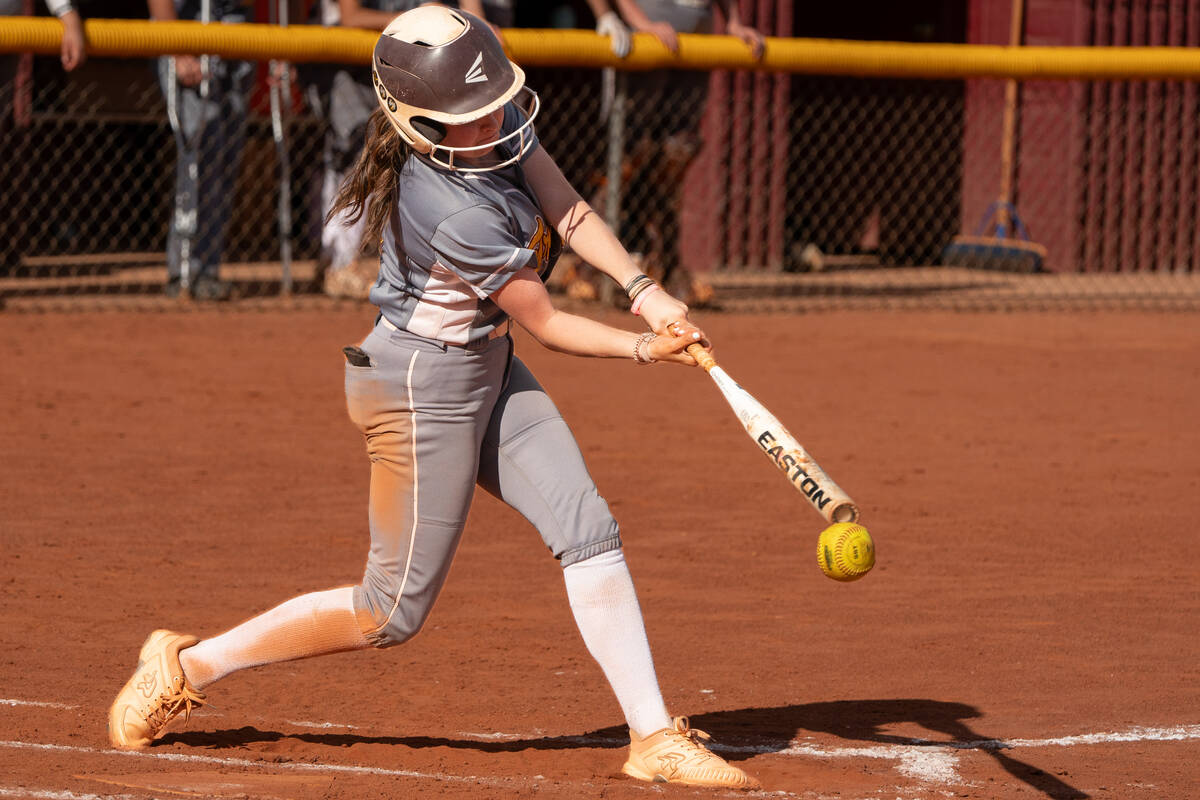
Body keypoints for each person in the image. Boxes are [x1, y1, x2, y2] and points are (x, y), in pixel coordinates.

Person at [108, 5, 758, 790]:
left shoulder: (497, 129)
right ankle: (186, 663)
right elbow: (547, 322)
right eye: (471, 117)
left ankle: (653, 735)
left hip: (488, 366)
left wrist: (644, 290)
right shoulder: (447, 206)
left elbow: (571, 210)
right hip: (420, 389)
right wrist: (644, 345)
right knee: (390, 613)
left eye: (496, 105)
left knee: (588, 527)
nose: (495, 124)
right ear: (419, 125)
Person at [313, 0, 493, 299]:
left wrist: (473, 27)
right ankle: (338, 263)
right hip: (352, 66)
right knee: (356, 153)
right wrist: (421, 20)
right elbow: (350, 17)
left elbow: (475, 15)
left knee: (418, 158)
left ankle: (426, 264)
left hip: (409, 68)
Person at [609, 0, 763, 303]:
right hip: (651, 23)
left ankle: (666, 265)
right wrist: (639, 21)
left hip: (698, 26)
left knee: (676, 151)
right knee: (633, 151)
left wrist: (732, 20)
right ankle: (603, 268)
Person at [148, 0, 255, 301]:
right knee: (201, 154)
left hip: (237, 39)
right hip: (189, 34)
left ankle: (208, 269)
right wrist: (178, 50)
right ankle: (184, 269)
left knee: (225, 161)